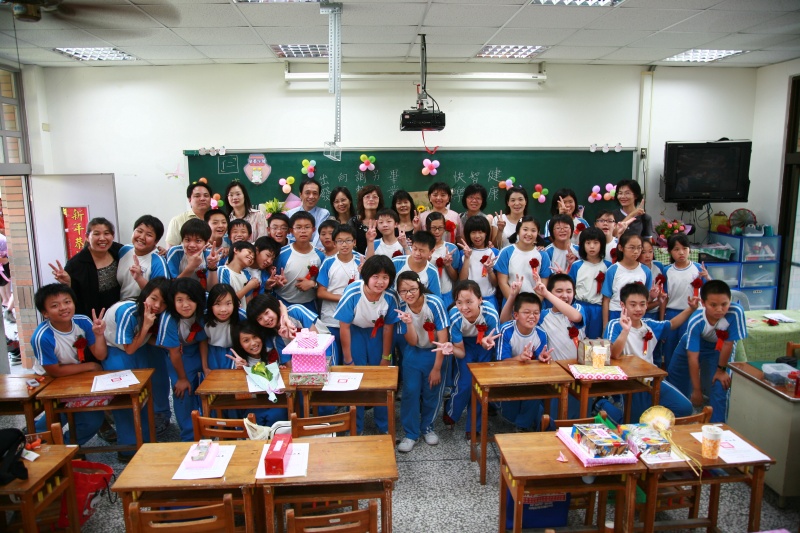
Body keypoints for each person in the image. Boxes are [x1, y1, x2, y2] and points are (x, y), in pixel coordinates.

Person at [599, 282, 697, 423]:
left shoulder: (650, 325)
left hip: (651, 379)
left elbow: (672, 324)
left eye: (642, 304)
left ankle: (654, 424)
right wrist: (625, 330)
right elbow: (613, 354)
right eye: (633, 305)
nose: (638, 309)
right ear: (622, 305)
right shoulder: (615, 325)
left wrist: (691, 309)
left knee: (684, 407)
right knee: (632, 424)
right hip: (628, 382)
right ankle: (601, 403)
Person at [31, 283, 107, 445]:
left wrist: (99, 335)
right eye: (55, 305)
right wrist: (90, 366)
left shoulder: (83, 322)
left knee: (92, 420)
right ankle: (36, 436)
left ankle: (66, 447)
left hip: (75, 376)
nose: (63, 308)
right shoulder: (42, 336)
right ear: (45, 313)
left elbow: (100, 354)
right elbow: (54, 371)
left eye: (67, 302)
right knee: (61, 413)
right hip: (49, 380)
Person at [103, 279, 169, 460]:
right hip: (117, 351)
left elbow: (148, 339)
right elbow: (129, 348)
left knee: (145, 396)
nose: (157, 306)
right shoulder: (127, 311)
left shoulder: (158, 314)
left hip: (139, 347)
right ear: (145, 294)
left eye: (163, 303)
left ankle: (147, 442)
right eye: (154, 298)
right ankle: (128, 449)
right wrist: (146, 325)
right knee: (125, 399)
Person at [334, 255, 400, 434]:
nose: (380, 282)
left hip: (378, 336)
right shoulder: (353, 292)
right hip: (355, 333)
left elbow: (389, 328)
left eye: (385, 277)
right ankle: (355, 428)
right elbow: (344, 327)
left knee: (381, 379)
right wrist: (348, 359)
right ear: (366, 276)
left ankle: (384, 427)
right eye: (375, 277)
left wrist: (386, 356)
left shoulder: (391, 296)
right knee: (355, 380)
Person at [395, 271, 449, 453]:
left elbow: (443, 338)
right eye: (403, 291)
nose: (408, 294)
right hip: (414, 353)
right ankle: (411, 433)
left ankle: (428, 427)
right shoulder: (401, 308)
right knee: (410, 392)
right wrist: (409, 323)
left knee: (431, 391)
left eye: (412, 289)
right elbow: (411, 341)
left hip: (436, 352)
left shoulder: (434, 303)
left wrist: (437, 368)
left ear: (420, 287)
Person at [443, 280, 500, 438]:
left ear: (480, 299)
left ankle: (474, 427)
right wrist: (451, 349)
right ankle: (451, 410)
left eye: (469, 302)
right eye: (459, 302)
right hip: (464, 345)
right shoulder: (455, 316)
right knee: (465, 382)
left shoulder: (490, 314)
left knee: (480, 384)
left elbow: (493, 340)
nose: (464, 307)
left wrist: (487, 344)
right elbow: (460, 352)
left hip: (484, 344)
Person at [156, 278, 208, 442]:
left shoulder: (204, 309)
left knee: (209, 386)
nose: (185, 305)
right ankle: (190, 436)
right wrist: (182, 378)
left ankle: (211, 427)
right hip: (180, 353)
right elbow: (174, 352)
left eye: (190, 299)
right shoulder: (169, 318)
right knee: (183, 391)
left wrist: (205, 367)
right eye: (179, 300)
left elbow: (203, 340)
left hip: (201, 349)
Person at [496, 292, 552, 431]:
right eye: (526, 312)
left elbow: (539, 363)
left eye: (536, 313)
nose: (532, 316)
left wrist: (542, 359)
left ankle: (522, 427)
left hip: (529, 378)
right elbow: (501, 364)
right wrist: (519, 358)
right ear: (516, 315)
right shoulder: (506, 330)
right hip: (507, 377)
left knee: (535, 393)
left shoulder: (541, 334)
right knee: (509, 414)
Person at [51, 217, 123, 321]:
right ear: (87, 237)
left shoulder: (119, 250)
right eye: (96, 234)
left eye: (106, 233)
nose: (102, 238)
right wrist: (68, 284)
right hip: (94, 319)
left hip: (119, 314)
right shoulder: (76, 265)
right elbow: (71, 298)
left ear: (113, 236)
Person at [661, 234, 710, 368]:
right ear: (670, 252)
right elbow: (664, 298)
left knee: (690, 350)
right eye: (676, 249)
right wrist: (662, 320)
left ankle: (688, 378)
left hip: (693, 314)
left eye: (684, 248)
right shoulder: (667, 270)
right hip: (672, 314)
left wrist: (707, 277)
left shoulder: (699, 268)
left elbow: (710, 292)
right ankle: (670, 377)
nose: (681, 252)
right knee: (670, 350)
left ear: (690, 250)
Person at [317, 224, 362, 356]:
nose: (344, 245)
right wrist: (345, 299)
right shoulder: (328, 262)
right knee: (333, 357)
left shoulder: (361, 262)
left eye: (348, 240)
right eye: (340, 241)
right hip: (331, 318)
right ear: (334, 243)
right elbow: (321, 292)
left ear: (354, 242)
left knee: (351, 357)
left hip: (354, 319)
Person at [494, 216, 551, 307]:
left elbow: (543, 284)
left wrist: (533, 306)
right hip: (511, 306)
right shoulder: (506, 252)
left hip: (535, 307)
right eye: (525, 229)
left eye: (533, 230)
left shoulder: (543, 255)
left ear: (538, 233)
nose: (529, 234)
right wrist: (516, 306)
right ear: (518, 231)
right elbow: (502, 283)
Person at [274, 211, 326, 312]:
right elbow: (272, 279)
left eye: (307, 227)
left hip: (310, 305)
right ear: (291, 231)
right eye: (298, 227)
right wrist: (276, 282)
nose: (303, 231)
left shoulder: (320, 256)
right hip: (283, 303)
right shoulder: (281, 254)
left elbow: (325, 282)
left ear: (313, 230)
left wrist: (313, 284)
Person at [601, 232, 652, 330]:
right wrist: (605, 326)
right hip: (616, 312)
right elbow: (606, 299)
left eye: (639, 248)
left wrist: (652, 297)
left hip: (636, 315)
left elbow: (646, 298)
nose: (636, 251)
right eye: (632, 248)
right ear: (621, 248)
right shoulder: (613, 270)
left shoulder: (646, 271)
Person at [568, 227, 610, 339]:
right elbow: (570, 288)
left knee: (595, 340)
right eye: (588, 243)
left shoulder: (608, 266)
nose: (592, 246)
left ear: (602, 244)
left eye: (596, 243)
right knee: (578, 339)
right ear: (582, 245)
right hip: (580, 307)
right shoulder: (577, 265)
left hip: (598, 309)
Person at [117, 215, 169, 301]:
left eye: (149, 235)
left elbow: (161, 295)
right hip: (121, 302)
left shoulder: (158, 262)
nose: (142, 237)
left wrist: (139, 278)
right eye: (139, 231)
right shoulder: (124, 250)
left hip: (143, 305)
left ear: (156, 241)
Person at [202, 283, 246, 375]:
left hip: (235, 352)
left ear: (234, 303)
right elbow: (203, 342)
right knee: (212, 379)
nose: (223, 309)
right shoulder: (204, 318)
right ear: (210, 305)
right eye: (217, 304)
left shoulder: (242, 317)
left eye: (228, 303)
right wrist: (205, 367)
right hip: (212, 353)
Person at [457, 215, 499, 310]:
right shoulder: (463, 253)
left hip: (489, 299)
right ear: (468, 234)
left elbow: (496, 283)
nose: (477, 236)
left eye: (480, 232)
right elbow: (462, 280)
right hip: (469, 301)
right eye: (473, 232)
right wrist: (467, 258)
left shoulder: (494, 253)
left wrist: (489, 270)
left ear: (486, 233)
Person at [166, 218, 220, 290]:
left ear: (206, 242)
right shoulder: (175, 252)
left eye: (198, 241)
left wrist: (212, 267)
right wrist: (191, 267)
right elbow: (172, 287)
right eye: (187, 240)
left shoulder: (209, 255)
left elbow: (212, 290)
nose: (192, 245)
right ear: (182, 240)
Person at [426, 212, 461, 307]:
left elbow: (455, 278)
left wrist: (448, 265)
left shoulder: (451, 248)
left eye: (440, 228)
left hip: (447, 294)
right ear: (428, 228)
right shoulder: (422, 249)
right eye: (433, 228)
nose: (437, 232)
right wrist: (425, 262)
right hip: (428, 295)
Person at [391, 231, 441, 297]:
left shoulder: (432, 272)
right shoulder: (395, 262)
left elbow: (435, 298)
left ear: (431, 251)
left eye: (421, 250)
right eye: (415, 249)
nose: (417, 253)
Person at [286, 178, 331, 247]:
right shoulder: (290, 214)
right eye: (307, 193)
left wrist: (311, 250)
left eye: (315, 193)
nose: (311, 196)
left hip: (316, 251)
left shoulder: (323, 214)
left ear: (319, 197)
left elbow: (319, 237)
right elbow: (288, 238)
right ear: (300, 195)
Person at [166, 181, 212, 248]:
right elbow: (170, 250)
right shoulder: (178, 220)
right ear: (189, 199)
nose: (202, 199)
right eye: (197, 196)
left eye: (206, 195)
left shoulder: (217, 220)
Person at [217, 241, 260, 311]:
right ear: (236, 250)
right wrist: (249, 287)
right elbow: (226, 299)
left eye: (253, 257)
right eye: (249, 252)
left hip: (242, 315)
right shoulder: (223, 270)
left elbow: (248, 300)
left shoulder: (247, 274)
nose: (251, 257)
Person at [349, 185, 383, 255]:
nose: (371, 199)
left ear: (379, 200)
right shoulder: (353, 222)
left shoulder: (384, 222)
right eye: (367, 197)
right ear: (362, 200)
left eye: (374, 197)